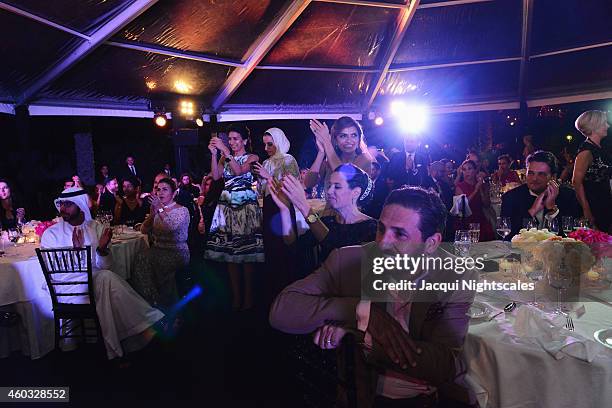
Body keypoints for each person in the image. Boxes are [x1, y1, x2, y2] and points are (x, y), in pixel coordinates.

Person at [270, 187, 476, 407]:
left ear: (431, 243)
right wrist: (363, 311)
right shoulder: (348, 260)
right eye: (381, 228)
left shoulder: (455, 274)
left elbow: (442, 365)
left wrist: (358, 334)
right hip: (363, 397)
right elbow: (281, 311)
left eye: (400, 234)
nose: (383, 243)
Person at [40, 187, 164, 360]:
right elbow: (58, 275)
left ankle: (118, 350)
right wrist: (78, 252)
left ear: (80, 205)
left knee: (105, 282)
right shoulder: (50, 234)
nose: (63, 209)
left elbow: (105, 266)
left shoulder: (96, 227)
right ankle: (148, 324)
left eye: (68, 204)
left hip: (96, 281)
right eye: (61, 204)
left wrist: (102, 249)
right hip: (68, 289)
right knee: (107, 281)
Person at [269, 164, 377, 271]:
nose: (329, 191)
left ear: (355, 192)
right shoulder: (328, 222)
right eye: (330, 185)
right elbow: (293, 246)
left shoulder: (372, 228)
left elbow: (334, 250)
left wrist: (304, 206)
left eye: (337, 187)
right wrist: (285, 210)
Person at [205, 124, 264, 311]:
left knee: (245, 254)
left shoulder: (252, 157)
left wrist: (226, 152)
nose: (232, 142)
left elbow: (239, 171)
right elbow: (215, 176)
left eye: (236, 139)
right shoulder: (224, 156)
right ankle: (236, 296)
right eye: (229, 139)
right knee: (230, 254)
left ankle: (249, 297)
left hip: (245, 204)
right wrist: (215, 154)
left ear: (245, 140)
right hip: (227, 203)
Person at [251, 127, 301, 298]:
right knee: (272, 253)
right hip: (269, 209)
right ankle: (274, 295)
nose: (266, 149)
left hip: (283, 208)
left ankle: (289, 294)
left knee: (285, 252)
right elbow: (263, 190)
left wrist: (268, 177)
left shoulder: (288, 160)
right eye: (265, 145)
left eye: (270, 144)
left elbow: (291, 189)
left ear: (279, 142)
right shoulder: (267, 162)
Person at [132, 178, 190, 311]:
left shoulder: (182, 210)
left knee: (153, 264)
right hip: (158, 249)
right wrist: (152, 214)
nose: (161, 193)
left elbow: (172, 227)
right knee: (139, 259)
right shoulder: (158, 212)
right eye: (158, 189)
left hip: (176, 251)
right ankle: (153, 304)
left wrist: (160, 209)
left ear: (174, 193)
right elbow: (143, 230)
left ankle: (166, 306)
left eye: (165, 189)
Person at [501, 151, 582, 239]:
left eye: (541, 174)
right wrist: (532, 211)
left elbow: (572, 237)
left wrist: (552, 209)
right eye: (531, 173)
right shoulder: (510, 197)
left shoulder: (568, 196)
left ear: (553, 177)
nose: (534, 179)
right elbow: (508, 237)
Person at [304, 116, 374, 195]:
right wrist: (321, 152)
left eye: (354, 135)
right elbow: (308, 184)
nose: (349, 140)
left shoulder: (365, 159)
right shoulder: (329, 162)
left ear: (359, 139)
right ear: (336, 140)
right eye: (343, 136)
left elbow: (344, 179)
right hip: (328, 207)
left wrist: (326, 141)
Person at [573, 110, 611, 232]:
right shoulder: (586, 151)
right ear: (595, 126)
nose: (608, 126)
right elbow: (576, 182)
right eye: (604, 123)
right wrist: (586, 210)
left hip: (604, 201)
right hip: (595, 204)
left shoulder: (598, 148)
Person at [455, 160, 495, 241]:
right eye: (464, 169)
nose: (467, 172)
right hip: (466, 221)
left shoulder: (481, 185)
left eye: (469, 169)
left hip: (480, 219)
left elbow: (487, 204)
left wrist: (480, 187)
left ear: (475, 170)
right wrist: (475, 190)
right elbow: (462, 208)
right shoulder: (459, 186)